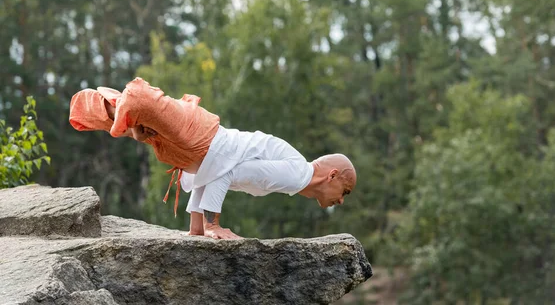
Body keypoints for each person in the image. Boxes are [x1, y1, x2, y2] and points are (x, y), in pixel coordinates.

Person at [69, 77, 357, 240]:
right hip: (203, 139)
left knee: (143, 124)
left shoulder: (294, 173)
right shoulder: (296, 174)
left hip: (196, 152)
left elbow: (210, 173)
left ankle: (107, 107)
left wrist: (196, 229)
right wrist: (212, 226)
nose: (341, 201)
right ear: (331, 176)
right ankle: (120, 104)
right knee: (142, 103)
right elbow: (225, 171)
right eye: (344, 192)